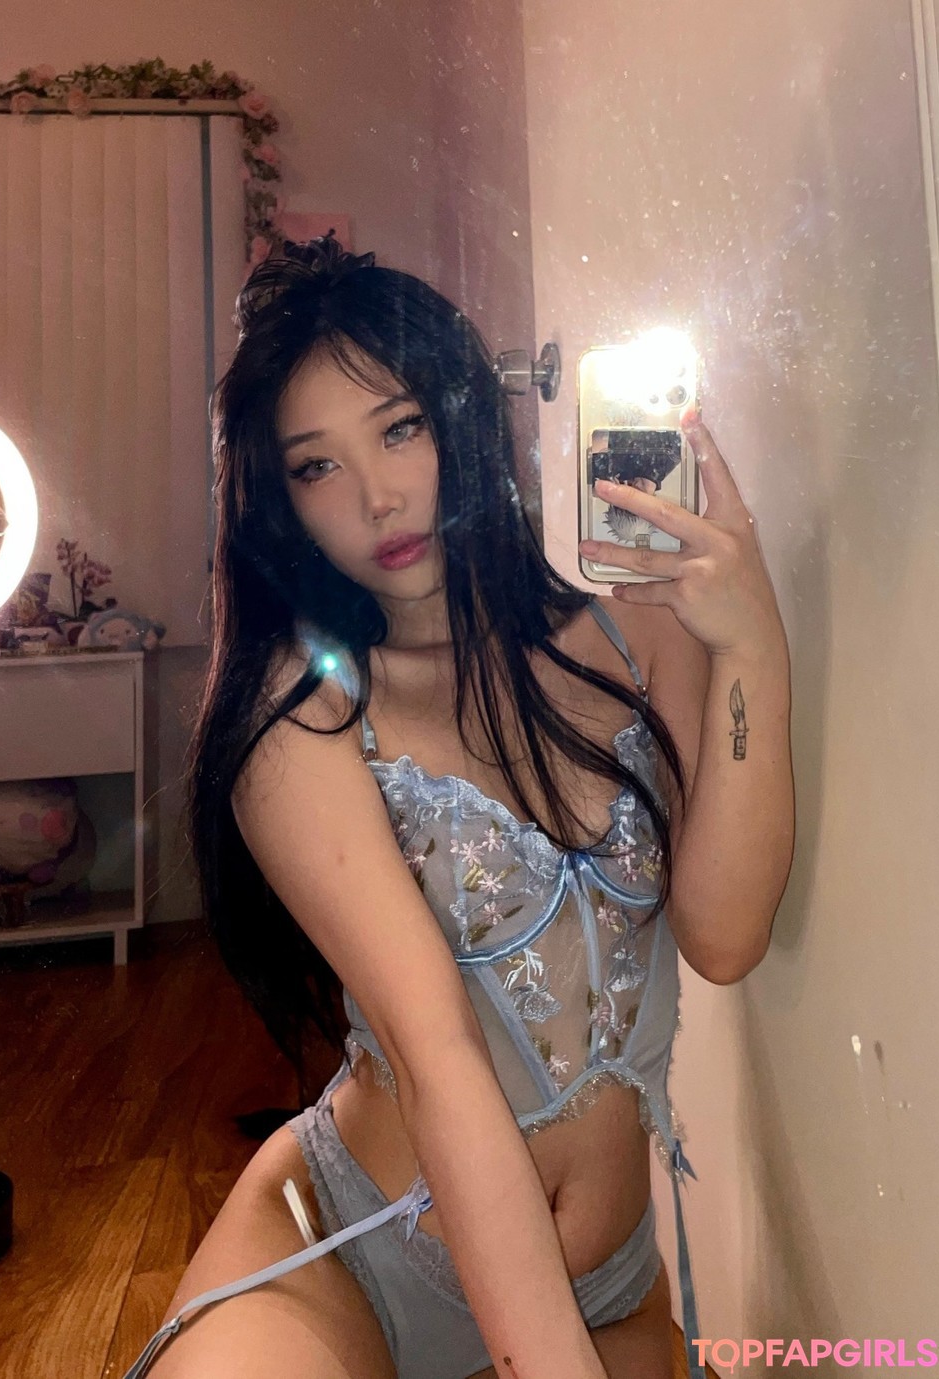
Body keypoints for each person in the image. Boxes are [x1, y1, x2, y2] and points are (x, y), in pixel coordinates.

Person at [123, 235, 794, 1379]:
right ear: (281, 502)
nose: (378, 496)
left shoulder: (636, 629)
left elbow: (724, 935)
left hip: (604, 1278)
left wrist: (752, 641)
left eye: (400, 428)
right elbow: (434, 1054)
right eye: (316, 466)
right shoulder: (304, 711)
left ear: (466, 417)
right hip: (353, 1255)